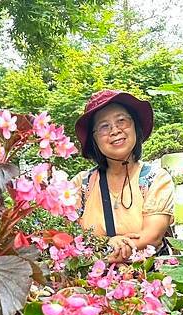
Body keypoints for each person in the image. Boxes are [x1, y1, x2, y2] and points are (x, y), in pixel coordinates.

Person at [72, 89, 175, 263]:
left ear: (135, 126)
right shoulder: (81, 184)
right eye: (104, 126)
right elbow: (69, 235)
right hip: (92, 285)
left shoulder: (155, 179)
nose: (115, 131)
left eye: (122, 121)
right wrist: (108, 242)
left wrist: (105, 247)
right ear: (94, 139)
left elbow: (152, 237)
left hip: (149, 282)